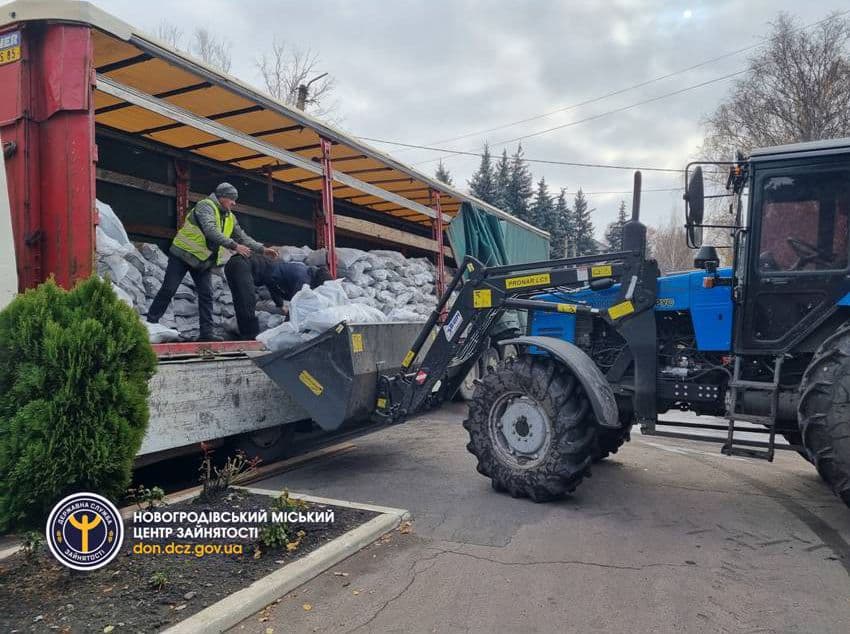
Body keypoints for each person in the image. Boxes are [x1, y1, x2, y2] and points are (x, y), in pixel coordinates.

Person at [146, 182, 278, 341]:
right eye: (232, 199)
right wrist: (234, 246)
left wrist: (262, 249)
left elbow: (242, 237)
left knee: (207, 295)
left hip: (202, 261)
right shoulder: (205, 206)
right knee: (169, 289)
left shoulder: (230, 217)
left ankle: (206, 334)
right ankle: (151, 323)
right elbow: (210, 231)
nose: (234, 203)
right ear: (222, 197)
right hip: (182, 255)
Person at [225, 254, 333, 339]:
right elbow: (296, 305)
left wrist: (280, 304)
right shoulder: (303, 280)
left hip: (233, 265)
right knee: (247, 302)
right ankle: (251, 339)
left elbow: (273, 285)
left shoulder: (303, 271)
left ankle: (247, 337)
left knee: (240, 301)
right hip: (242, 264)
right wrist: (286, 329)